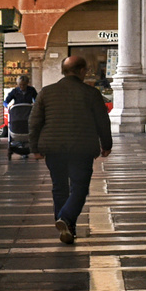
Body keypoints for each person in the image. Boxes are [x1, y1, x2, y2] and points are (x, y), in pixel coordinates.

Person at [29, 55, 113, 245]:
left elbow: (34, 122)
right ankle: (66, 219)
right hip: (81, 148)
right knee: (79, 188)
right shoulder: (91, 93)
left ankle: (67, 227)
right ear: (82, 71)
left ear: (63, 71)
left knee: (59, 188)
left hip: (53, 148)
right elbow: (103, 122)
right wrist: (106, 145)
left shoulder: (46, 92)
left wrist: (34, 147)